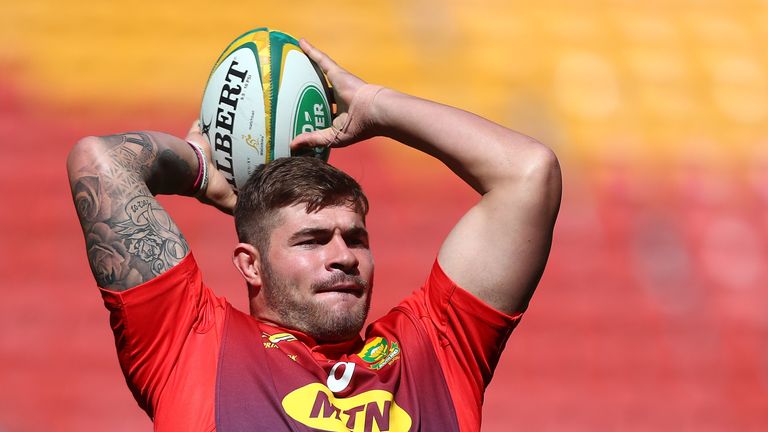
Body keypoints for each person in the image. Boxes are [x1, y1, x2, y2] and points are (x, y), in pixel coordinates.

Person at [67, 39, 561, 432]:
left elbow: (529, 173)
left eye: (356, 238)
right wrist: (199, 171)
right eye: (312, 240)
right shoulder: (191, 341)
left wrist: (378, 105)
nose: (343, 255)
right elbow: (101, 162)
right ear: (250, 263)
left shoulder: (433, 348)